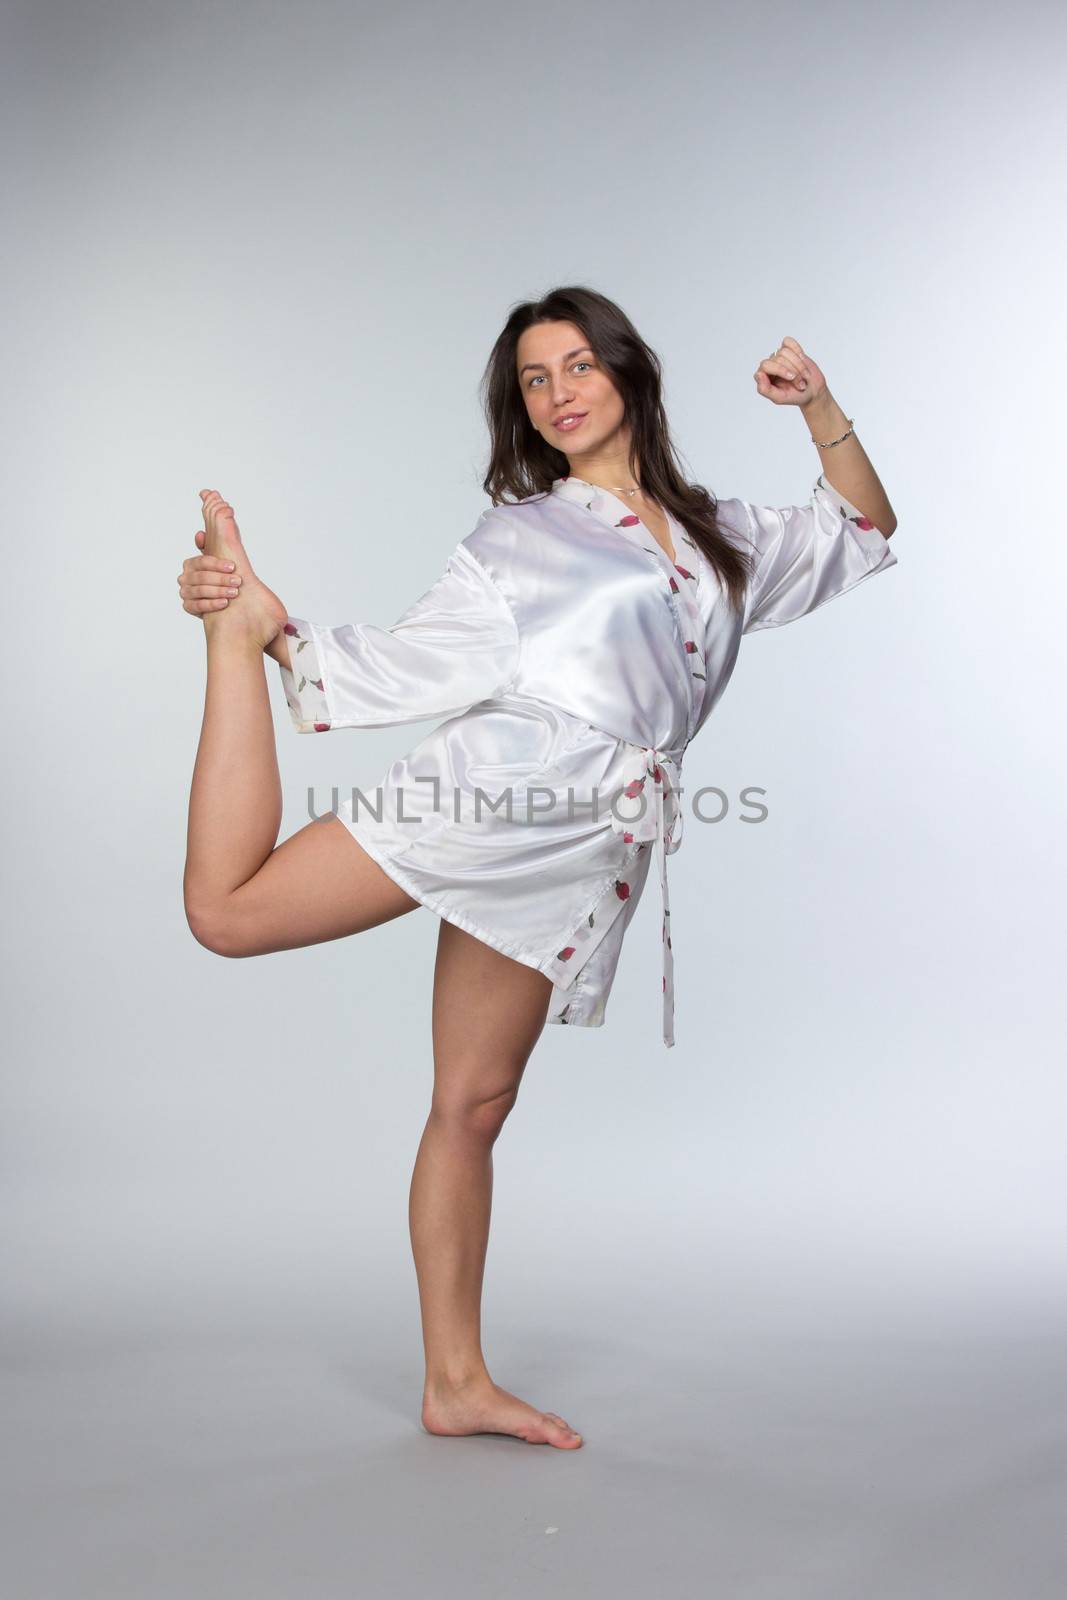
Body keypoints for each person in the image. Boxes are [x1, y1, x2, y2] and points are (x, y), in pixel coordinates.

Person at [179, 286, 898, 1449]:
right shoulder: (520, 538)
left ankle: (453, 1383)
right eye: (532, 380)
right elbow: (407, 663)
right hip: (495, 798)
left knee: (473, 1102)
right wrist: (271, 631)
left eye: (575, 367)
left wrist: (817, 406)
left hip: (586, 845)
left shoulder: (714, 531)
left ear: (626, 374)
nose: (557, 394)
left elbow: (863, 528)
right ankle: (225, 641)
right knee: (228, 910)